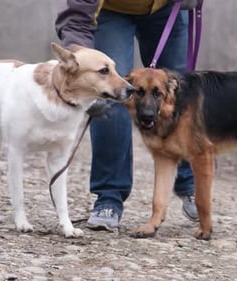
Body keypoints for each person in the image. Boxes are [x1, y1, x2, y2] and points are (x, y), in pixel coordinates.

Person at [55, 0, 198, 231]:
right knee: (112, 97)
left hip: (167, 7)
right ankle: (109, 197)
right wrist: (78, 54)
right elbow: (78, 15)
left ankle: (189, 183)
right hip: (112, 11)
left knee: (179, 96)